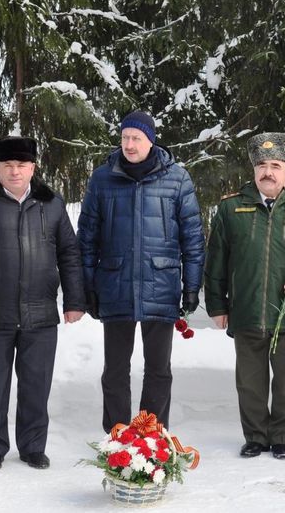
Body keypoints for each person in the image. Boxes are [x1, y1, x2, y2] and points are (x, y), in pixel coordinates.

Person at [0, 136, 86, 471]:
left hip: (40, 314)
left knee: (36, 386)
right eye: (7, 165)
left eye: (21, 165)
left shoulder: (51, 203)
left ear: (32, 167)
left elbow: (69, 253)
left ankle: (32, 447)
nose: (14, 171)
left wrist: (74, 299)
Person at [204, 132, 285, 460]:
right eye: (262, 164)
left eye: (276, 165)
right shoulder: (231, 208)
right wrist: (217, 304)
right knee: (250, 383)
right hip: (246, 309)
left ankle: (281, 437)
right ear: (253, 170)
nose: (268, 171)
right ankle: (254, 437)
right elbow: (216, 259)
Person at [77, 111, 205, 433]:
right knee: (116, 369)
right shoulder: (103, 178)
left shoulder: (177, 178)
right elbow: (87, 236)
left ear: (151, 140)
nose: (129, 145)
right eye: (124, 138)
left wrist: (191, 287)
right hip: (115, 282)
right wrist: (88, 286)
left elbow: (192, 238)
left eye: (136, 138)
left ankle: (151, 436)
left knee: (158, 369)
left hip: (160, 284)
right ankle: (118, 436)